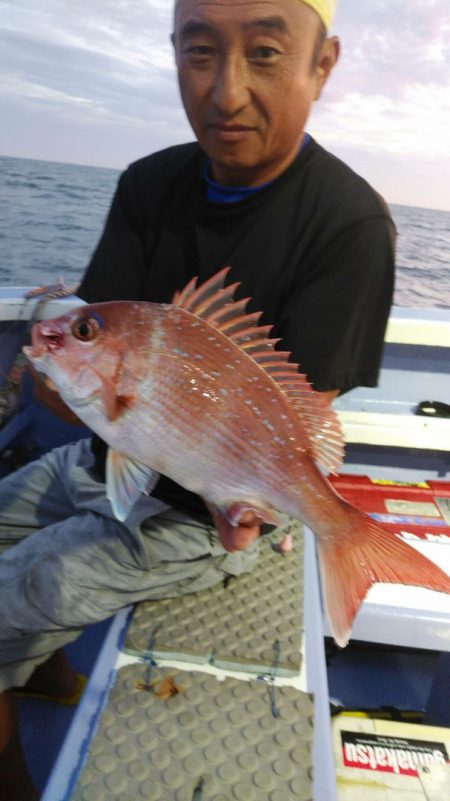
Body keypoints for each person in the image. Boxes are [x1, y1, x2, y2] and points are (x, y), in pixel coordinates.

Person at [0, 0, 395, 798]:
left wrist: (250, 502)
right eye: (200, 51)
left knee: (18, 586)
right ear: (175, 51)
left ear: (323, 64)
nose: (225, 93)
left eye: (265, 54)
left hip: (212, 512)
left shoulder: (350, 225)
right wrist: (57, 363)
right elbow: (103, 338)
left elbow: (301, 416)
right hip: (119, 451)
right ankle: (39, 673)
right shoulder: (150, 182)